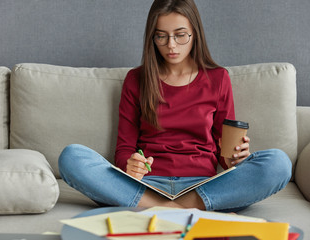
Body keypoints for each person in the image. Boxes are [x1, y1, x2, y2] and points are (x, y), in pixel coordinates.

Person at [58, 0, 291, 212]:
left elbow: (224, 155)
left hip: (203, 186)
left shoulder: (218, 79)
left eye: (180, 35)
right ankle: (175, 209)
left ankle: (161, 209)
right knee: (72, 156)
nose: (171, 45)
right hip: (147, 184)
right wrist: (131, 164)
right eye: (161, 36)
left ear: (195, 34)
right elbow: (124, 150)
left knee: (278, 163)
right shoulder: (136, 80)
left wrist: (234, 159)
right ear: (152, 37)